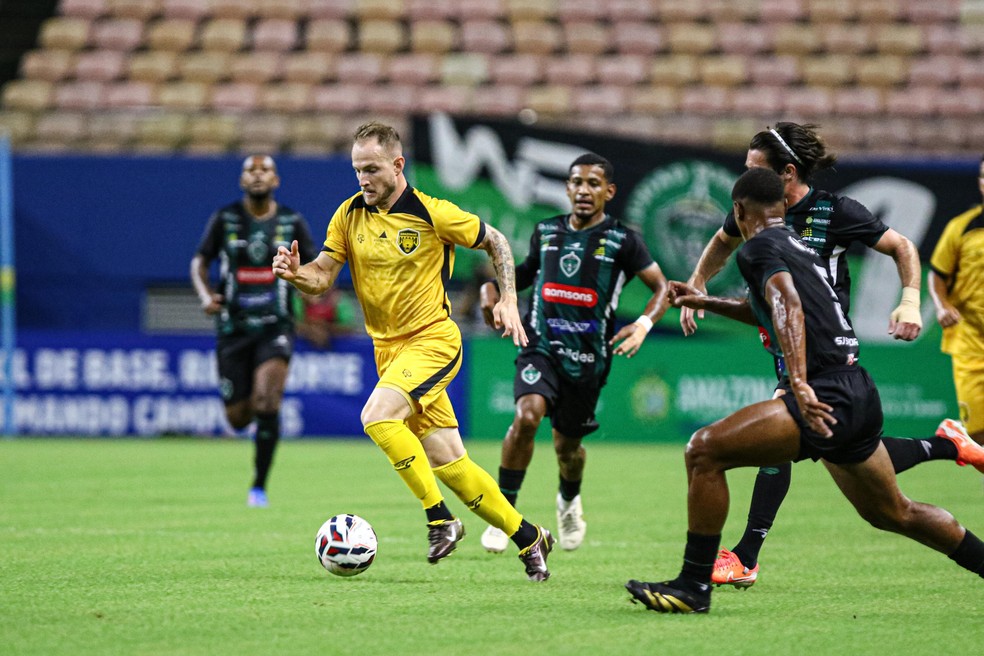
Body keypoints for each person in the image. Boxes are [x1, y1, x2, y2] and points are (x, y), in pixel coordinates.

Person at [625, 167, 984, 614]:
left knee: (704, 451)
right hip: (856, 388)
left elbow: (786, 304)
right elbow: (771, 308)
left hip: (824, 391)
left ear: (738, 211)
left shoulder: (756, 247)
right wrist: (703, 301)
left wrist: (797, 382)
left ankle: (694, 585)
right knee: (895, 512)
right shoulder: (796, 244)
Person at [272, 121, 555, 581]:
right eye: (357, 170)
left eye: (372, 169)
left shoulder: (432, 212)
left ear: (398, 165)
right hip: (389, 350)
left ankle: (440, 520)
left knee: (377, 417)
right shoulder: (348, 215)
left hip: (433, 340)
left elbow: (496, 240)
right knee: (450, 463)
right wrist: (295, 273)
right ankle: (529, 538)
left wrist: (507, 298)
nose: (363, 179)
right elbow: (322, 277)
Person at [478, 153, 669, 553]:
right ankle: (504, 512)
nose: (584, 190)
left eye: (594, 184)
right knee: (527, 415)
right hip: (540, 346)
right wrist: (492, 292)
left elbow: (662, 288)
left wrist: (644, 324)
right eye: (577, 182)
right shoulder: (546, 231)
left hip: (587, 359)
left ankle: (568, 501)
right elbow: (523, 275)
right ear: (566, 188)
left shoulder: (623, 240)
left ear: (609, 191)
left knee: (568, 449)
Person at [191, 154, 316, 508]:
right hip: (232, 328)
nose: (258, 175)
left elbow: (316, 266)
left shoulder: (292, 221)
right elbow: (200, 260)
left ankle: (258, 486)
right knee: (238, 416)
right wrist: (205, 296)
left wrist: (302, 286)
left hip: (275, 325)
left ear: (276, 180)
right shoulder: (225, 219)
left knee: (267, 401)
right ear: (242, 180)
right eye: (251, 170)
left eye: (265, 170)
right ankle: (254, 456)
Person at [928, 155, 984, 446]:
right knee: (977, 434)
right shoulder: (962, 228)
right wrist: (942, 305)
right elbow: (937, 274)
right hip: (972, 344)